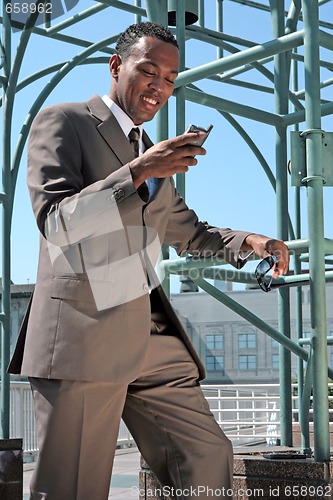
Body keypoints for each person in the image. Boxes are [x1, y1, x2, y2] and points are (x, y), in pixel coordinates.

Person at [8, 21, 289, 500]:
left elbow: (187, 231)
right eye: (149, 71)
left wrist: (251, 242)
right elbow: (56, 220)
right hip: (85, 331)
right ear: (117, 67)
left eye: (170, 78)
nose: (160, 86)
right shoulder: (65, 121)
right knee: (73, 488)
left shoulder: (150, 151)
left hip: (150, 335)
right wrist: (139, 170)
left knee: (207, 456)